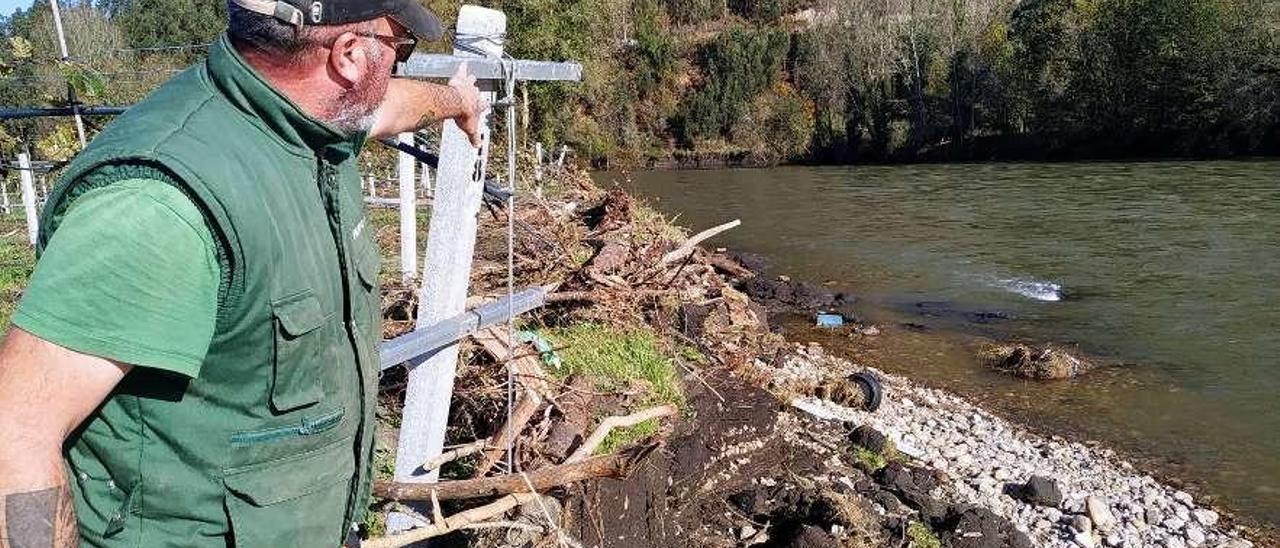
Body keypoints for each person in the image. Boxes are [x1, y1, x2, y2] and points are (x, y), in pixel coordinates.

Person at [0, 1, 486, 546]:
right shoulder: (159, 207)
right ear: (349, 56)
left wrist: (457, 101)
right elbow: (14, 435)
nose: (396, 70)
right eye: (398, 50)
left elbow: (390, 105)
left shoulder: (304, 117)